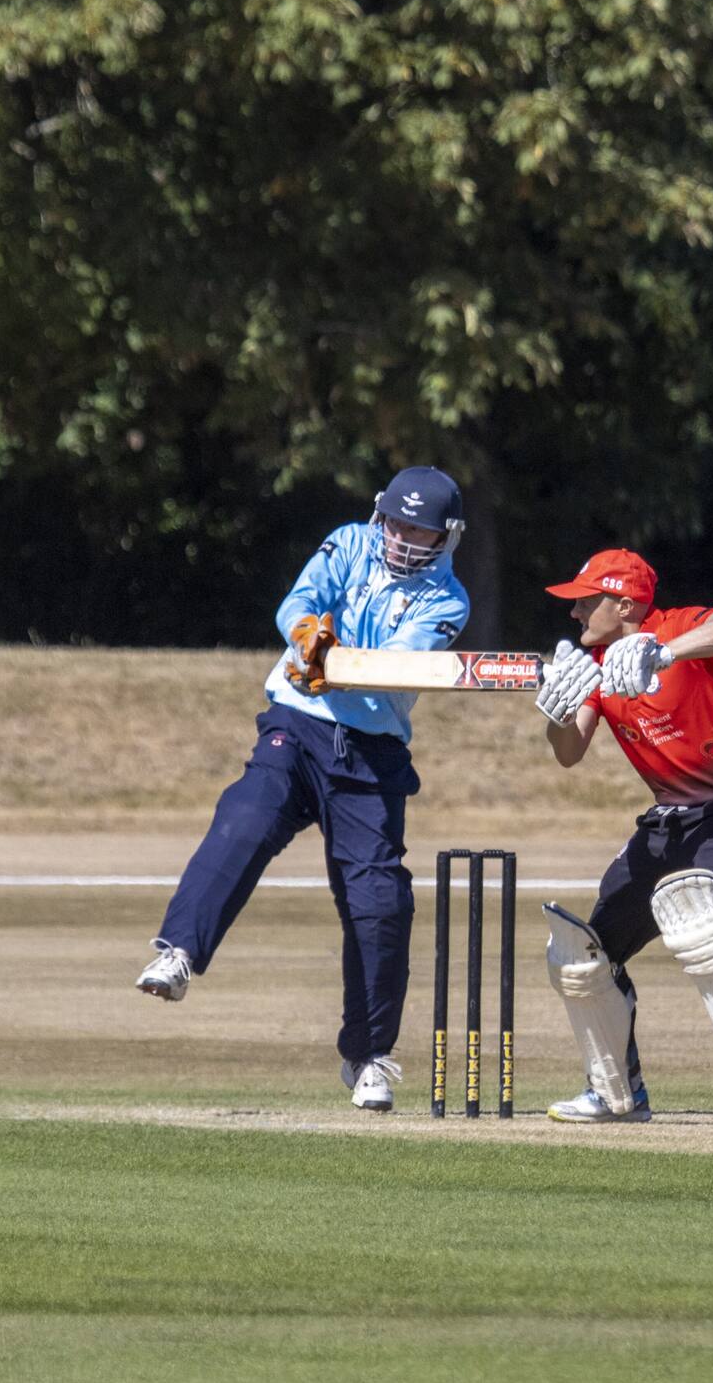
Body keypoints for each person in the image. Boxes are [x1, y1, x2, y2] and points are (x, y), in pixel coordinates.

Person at [134, 467, 470, 1112]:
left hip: (371, 752)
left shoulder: (447, 600)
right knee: (246, 819)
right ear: (380, 515)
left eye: (418, 531)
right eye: (395, 524)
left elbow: (394, 668)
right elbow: (298, 602)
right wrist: (306, 633)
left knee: (380, 901)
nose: (401, 539)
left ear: (445, 536)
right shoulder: (347, 543)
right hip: (297, 723)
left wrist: (334, 661)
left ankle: (368, 1055)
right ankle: (179, 952)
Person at [533, 547, 713, 1126]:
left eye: (584, 603)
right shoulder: (596, 669)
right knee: (583, 960)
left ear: (624, 603)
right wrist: (556, 711)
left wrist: (664, 650)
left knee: (703, 918)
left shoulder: (676, 629)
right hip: (665, 825)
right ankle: (615, 1095)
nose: (575, 616)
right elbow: (570, 754)